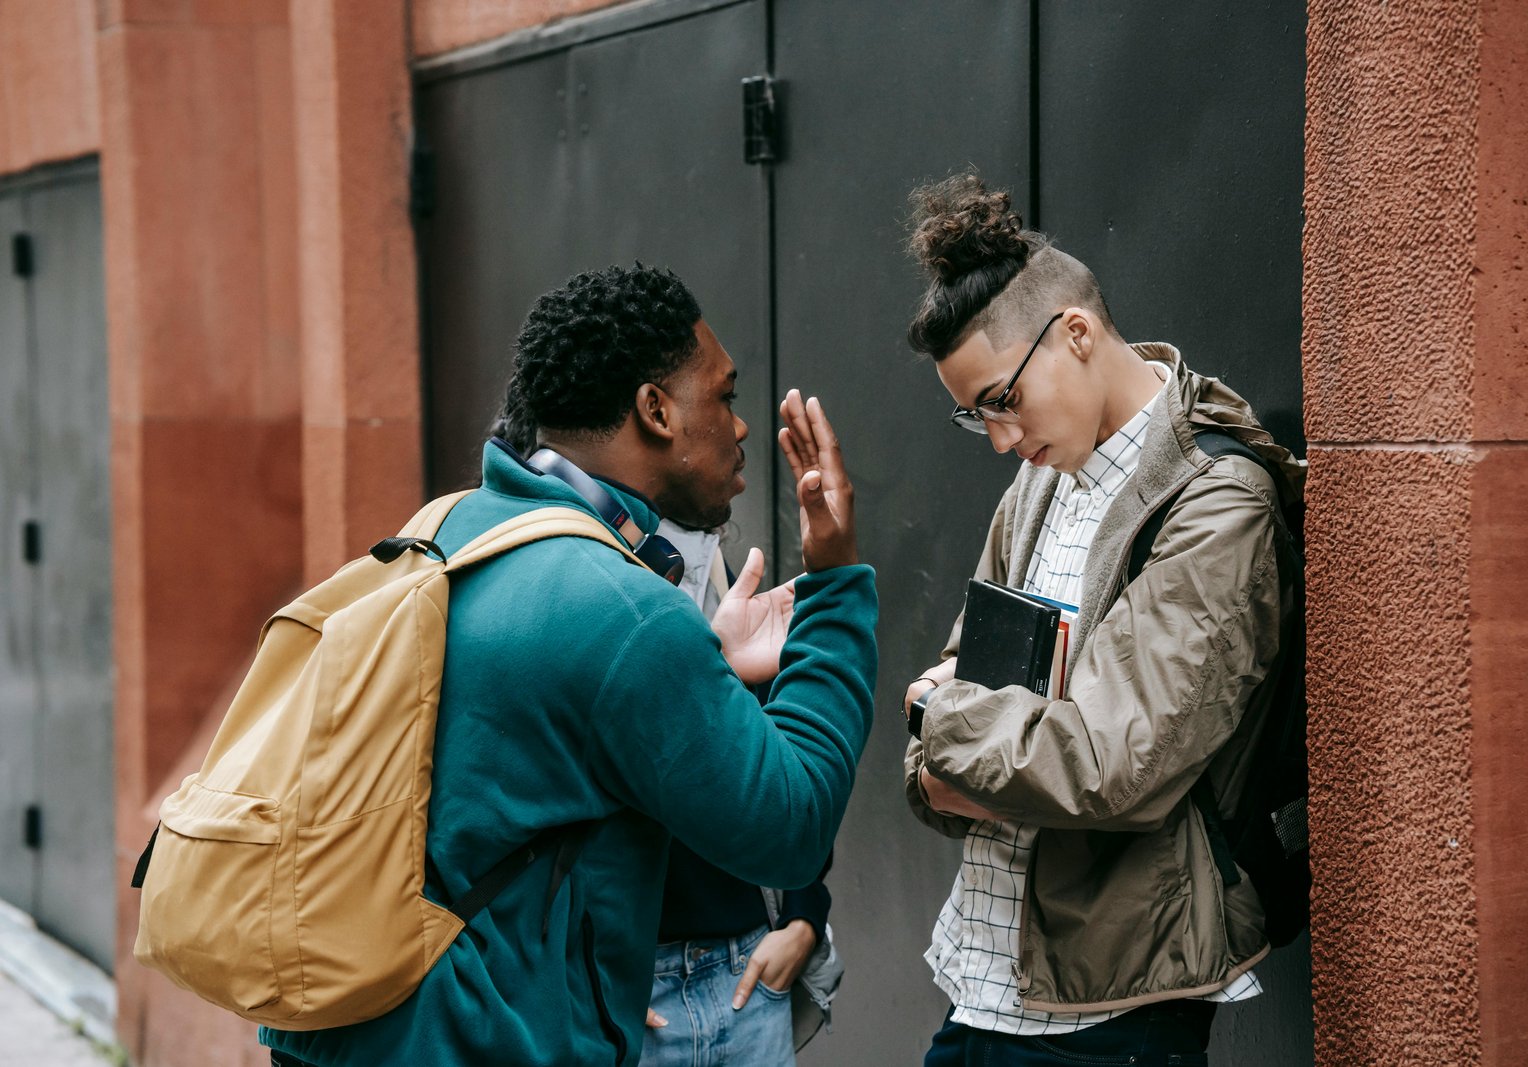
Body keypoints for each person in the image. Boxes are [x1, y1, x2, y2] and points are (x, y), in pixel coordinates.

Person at [261, 264, 876, 1067]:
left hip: (357, 1027)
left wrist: (705, 659)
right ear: (655, 410)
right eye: (723, 396)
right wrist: (833, 589)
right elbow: (789, 826)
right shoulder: (620, 609)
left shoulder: (454, 527)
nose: (741, 426)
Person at [899, 174, 1305, 1065]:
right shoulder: (1042, 481)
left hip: (1110, 1013)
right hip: (980, 978)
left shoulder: (1215, 502)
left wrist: (936, 718)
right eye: (975, 418)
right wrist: (946, 740)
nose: (1000, 436)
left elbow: (1114, 763)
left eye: (1001, 400)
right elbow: (958, 723)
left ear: (1074, 333)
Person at [487, 411, 843, 1066]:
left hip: (746, 968)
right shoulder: (540, 596)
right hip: (630, 992)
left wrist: (802, 915)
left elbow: (772, 760)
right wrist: (589, 978)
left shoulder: (698, 561)